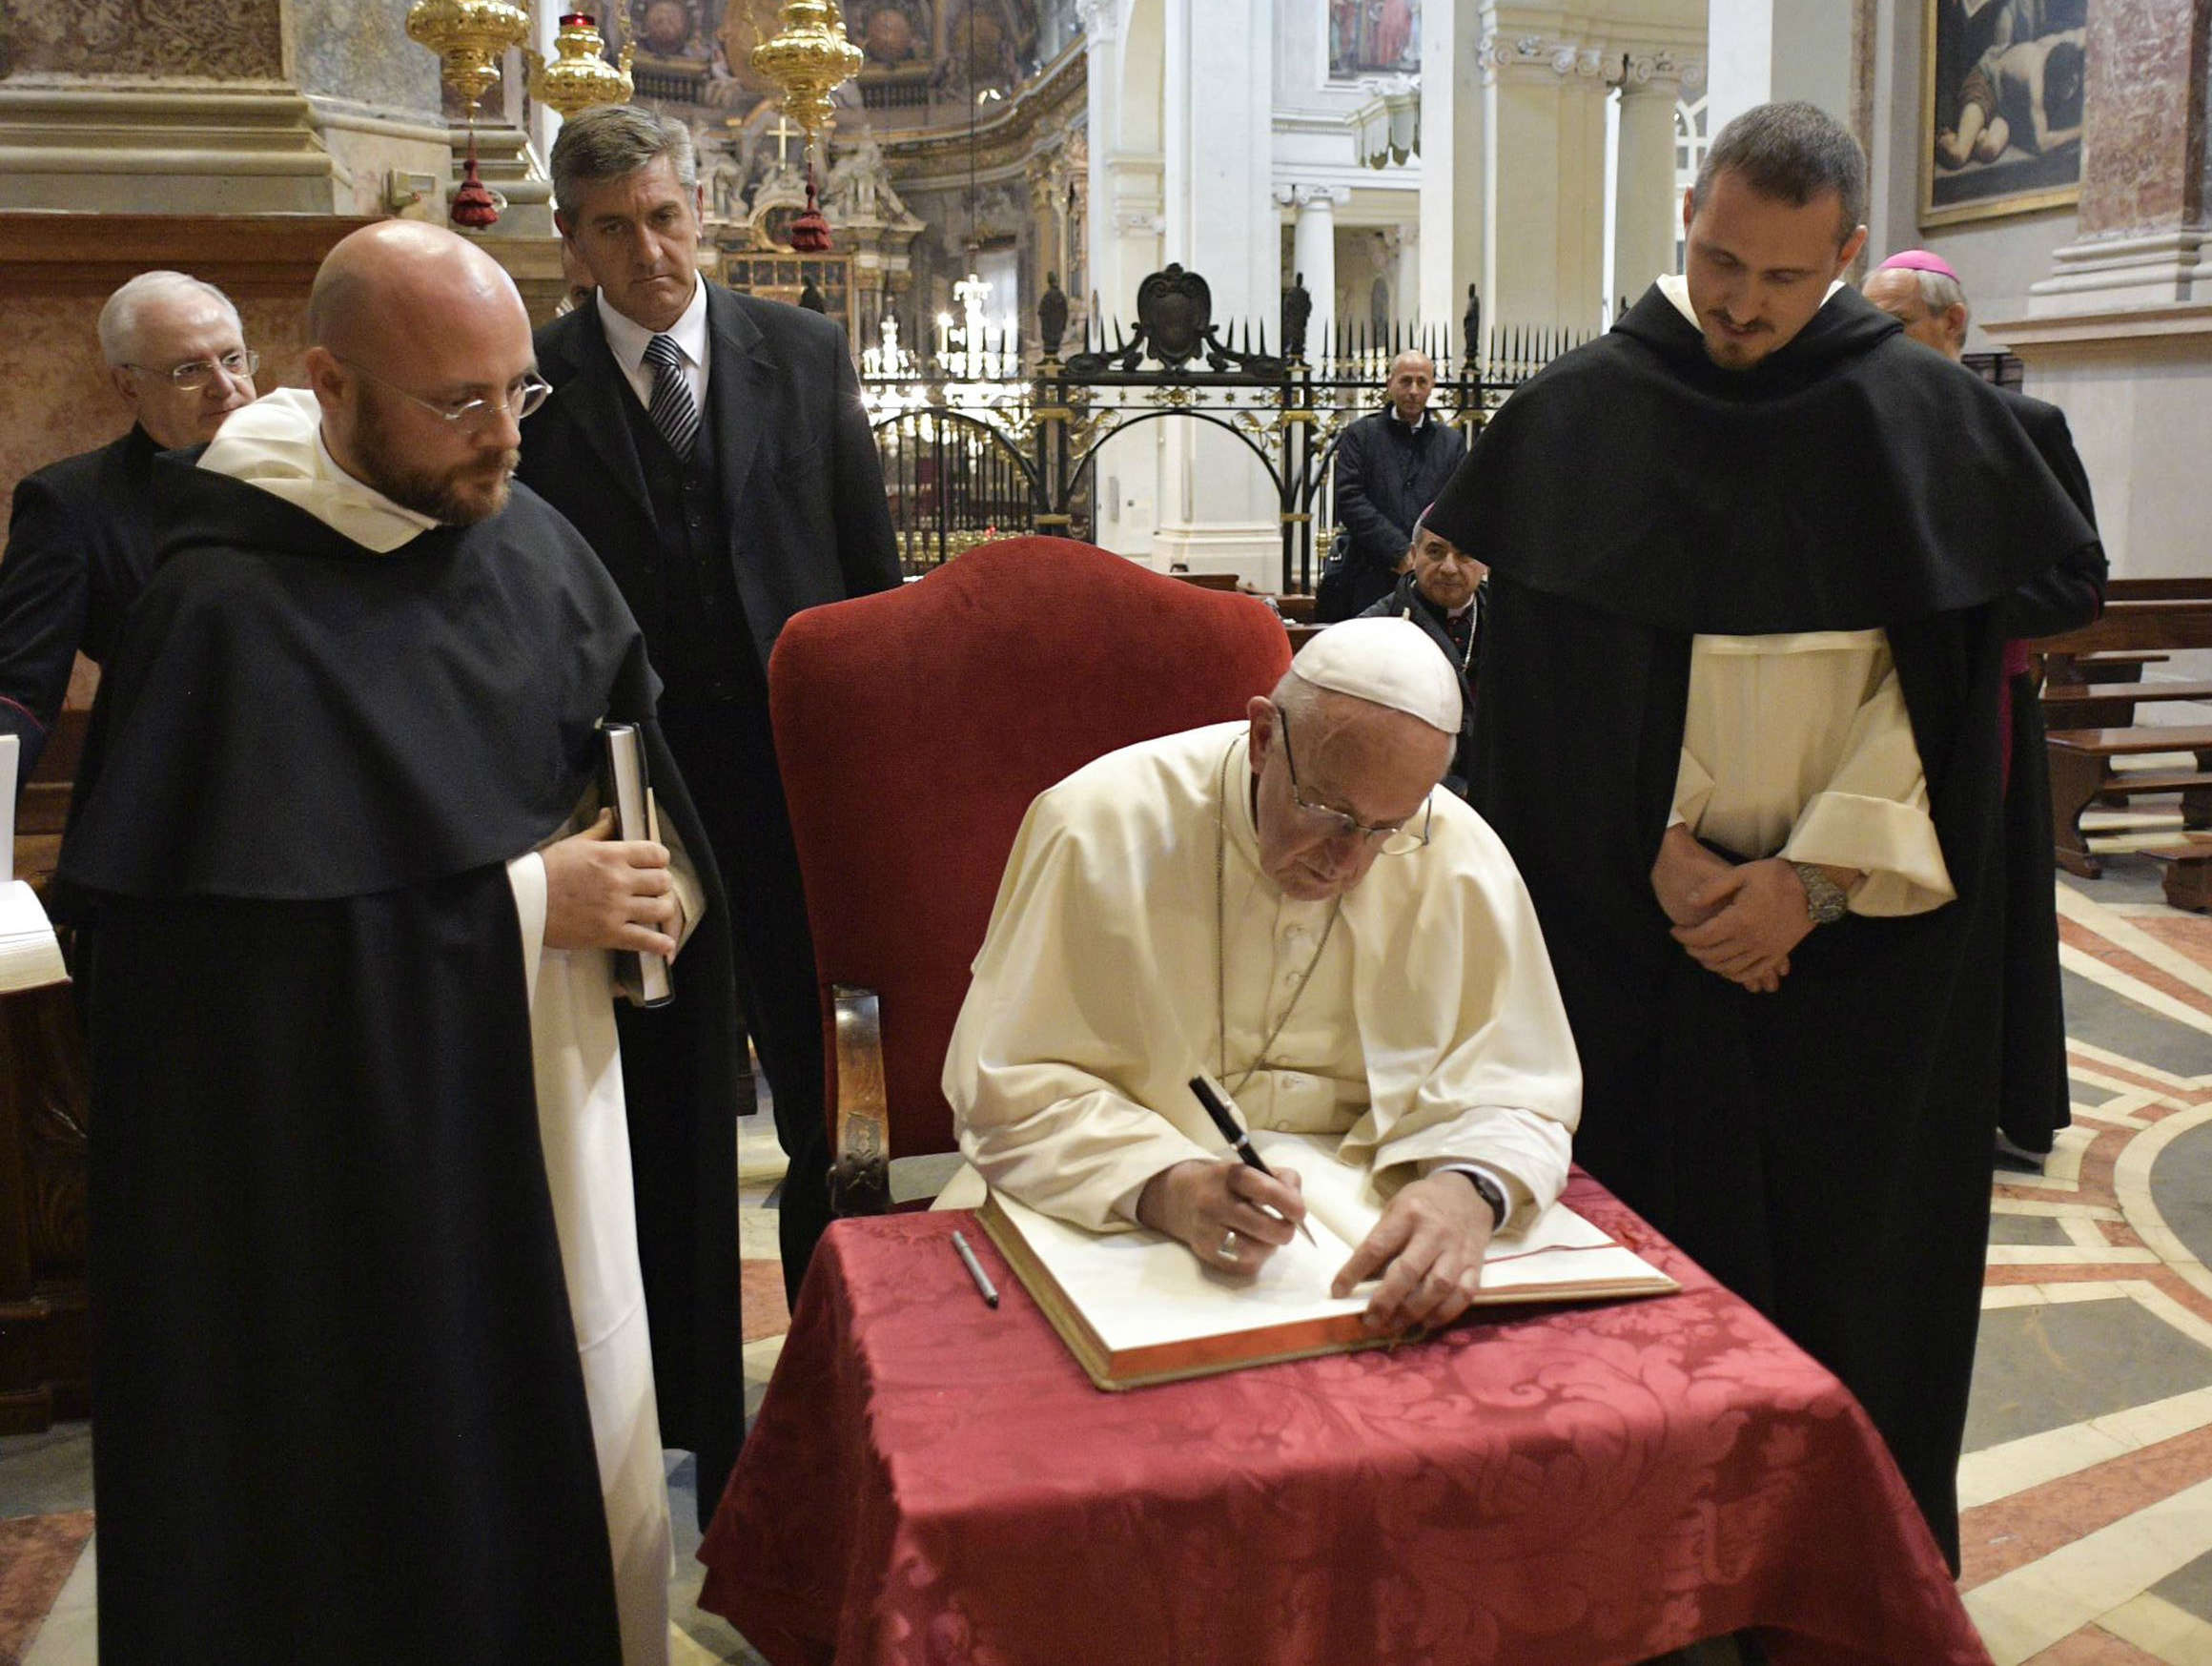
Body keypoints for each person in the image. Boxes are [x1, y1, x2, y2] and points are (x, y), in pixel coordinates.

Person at [57, 220, 745, 1666]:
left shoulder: (525, 537)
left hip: (557, 1095)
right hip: (345, 1201)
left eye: (519, 391)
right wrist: (522, 905)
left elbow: (632, 757)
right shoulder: (220, 610)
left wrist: (662, 877)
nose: (504, 435)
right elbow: (194, 985)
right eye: (457, 402)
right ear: (330, 384)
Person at [1428, 101, 2101, 1568]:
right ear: (1690, 212)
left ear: (1846, 256)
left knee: (1850, 1276)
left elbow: (1939, 707)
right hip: (1631, 939)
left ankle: (1842, 1574)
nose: (1739, 302)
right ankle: (1634, 1579)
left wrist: (1812, 881)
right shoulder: (1590, 411)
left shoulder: (1920, 420)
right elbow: (1549, 696)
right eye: (1720, 260)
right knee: (1640, 1280)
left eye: (1783, 277)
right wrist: (1652, 846)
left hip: (1858, 963)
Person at [520, 104, 903, 1306]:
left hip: (796, 781)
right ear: (572, 240)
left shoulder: (803, 351)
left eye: (663, 217)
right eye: (612, 229)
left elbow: (867, 574)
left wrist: (876, 766)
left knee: (827, 1090)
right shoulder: (535, 383)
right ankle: (678, 1374)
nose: (648, 251)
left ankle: (834, 1335)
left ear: (698, 211)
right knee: (658, 1096)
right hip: (633, 797)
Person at [943, 619, 1581, 1332]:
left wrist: (1468, 1191)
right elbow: (1002, 1088)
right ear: (1262, 739)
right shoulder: (1096, 824)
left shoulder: (1459, 852)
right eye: (1331, 812)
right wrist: (1165, 1186)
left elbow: (1521, 1086)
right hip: (1106, 1200)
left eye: (1386, 829)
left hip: (1368, 1208)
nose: (1349, 863)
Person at [1862, 247, 2105, 1161]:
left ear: (1951, 323)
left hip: (1983, 712)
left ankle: (1978, 1106)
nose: (1879, 344)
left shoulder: (2027, 427)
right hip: (1871, 707)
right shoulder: (1858, 424)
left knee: (1979, 916)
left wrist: (1962, 607)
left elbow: (2081, 585)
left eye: (1895, 324)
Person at [0, 271, 256, 776]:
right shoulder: (70, 504)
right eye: (189, 370)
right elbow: (18, 691)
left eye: (233, 359)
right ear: (128, 385)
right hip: (178, 782)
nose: (225, 387)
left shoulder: (321, 471)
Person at [1318, 350, 1466, 621]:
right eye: (1405, 381)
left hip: (1428, 577)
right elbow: (1350, 500)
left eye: (1422, 382)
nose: (1413, 391)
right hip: (1368, 573)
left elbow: (1457, 504)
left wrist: (1423, 554)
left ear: (1432, 386)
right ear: (1390, 383)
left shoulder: (1451, 443)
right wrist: (1399, 551)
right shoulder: (1361, 434)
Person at [1355, 507, 1486, 795]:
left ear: (1485, 563)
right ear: (1414, 556)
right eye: (1435, 552)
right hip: (1407, 792)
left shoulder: (1508, 625)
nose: (1449, 567)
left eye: (1464, 555)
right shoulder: (1371, 629)